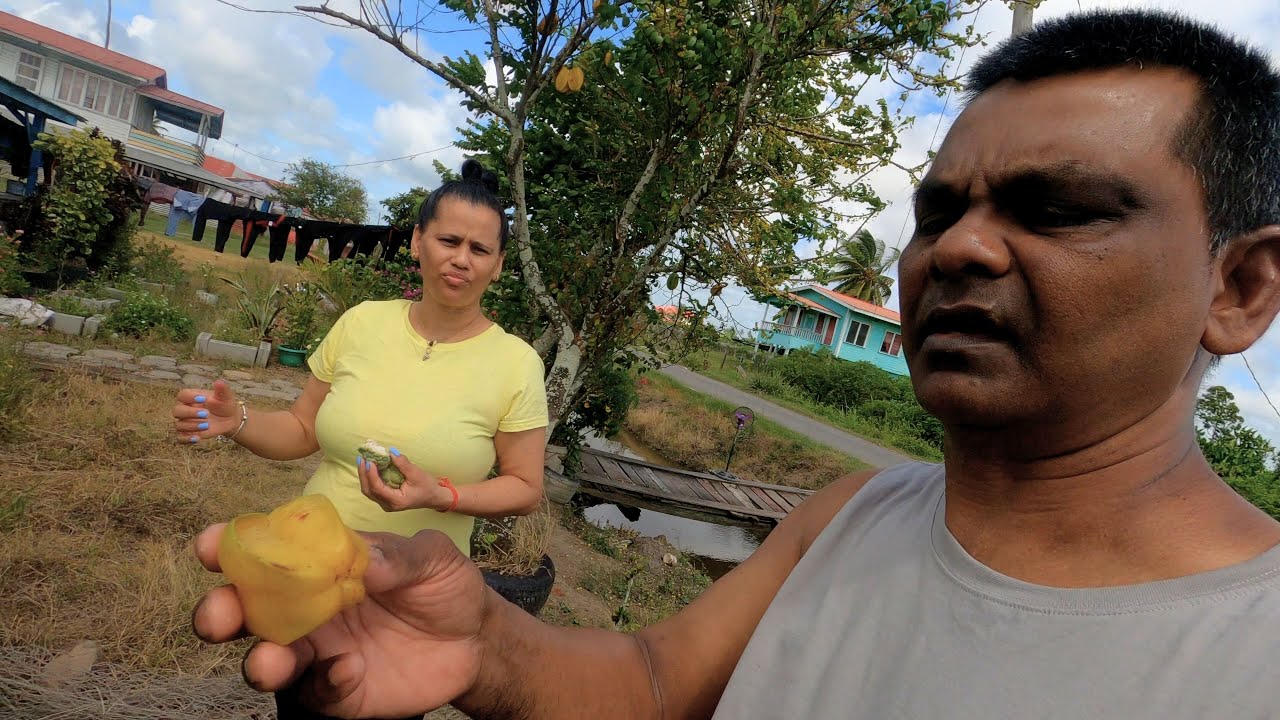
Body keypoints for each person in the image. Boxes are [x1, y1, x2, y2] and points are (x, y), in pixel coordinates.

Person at [190, 10, 1280, 719]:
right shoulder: (852, 517)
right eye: (938, 211)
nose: (958, 248)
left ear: (1237, 291)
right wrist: (482, 646)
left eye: (1060, 209)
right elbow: (656, 681)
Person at [173, 159, 549, 557]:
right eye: (449, 241)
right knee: (214, 584)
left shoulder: (515, 363)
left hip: (419, 573)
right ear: (418, 241)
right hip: (314, 546)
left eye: (479, 249)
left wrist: (441, 495)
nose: (461, 259)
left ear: (498, 265)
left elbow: (525, 489)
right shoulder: (362, 321)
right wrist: (238, 421)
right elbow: (303, 428)